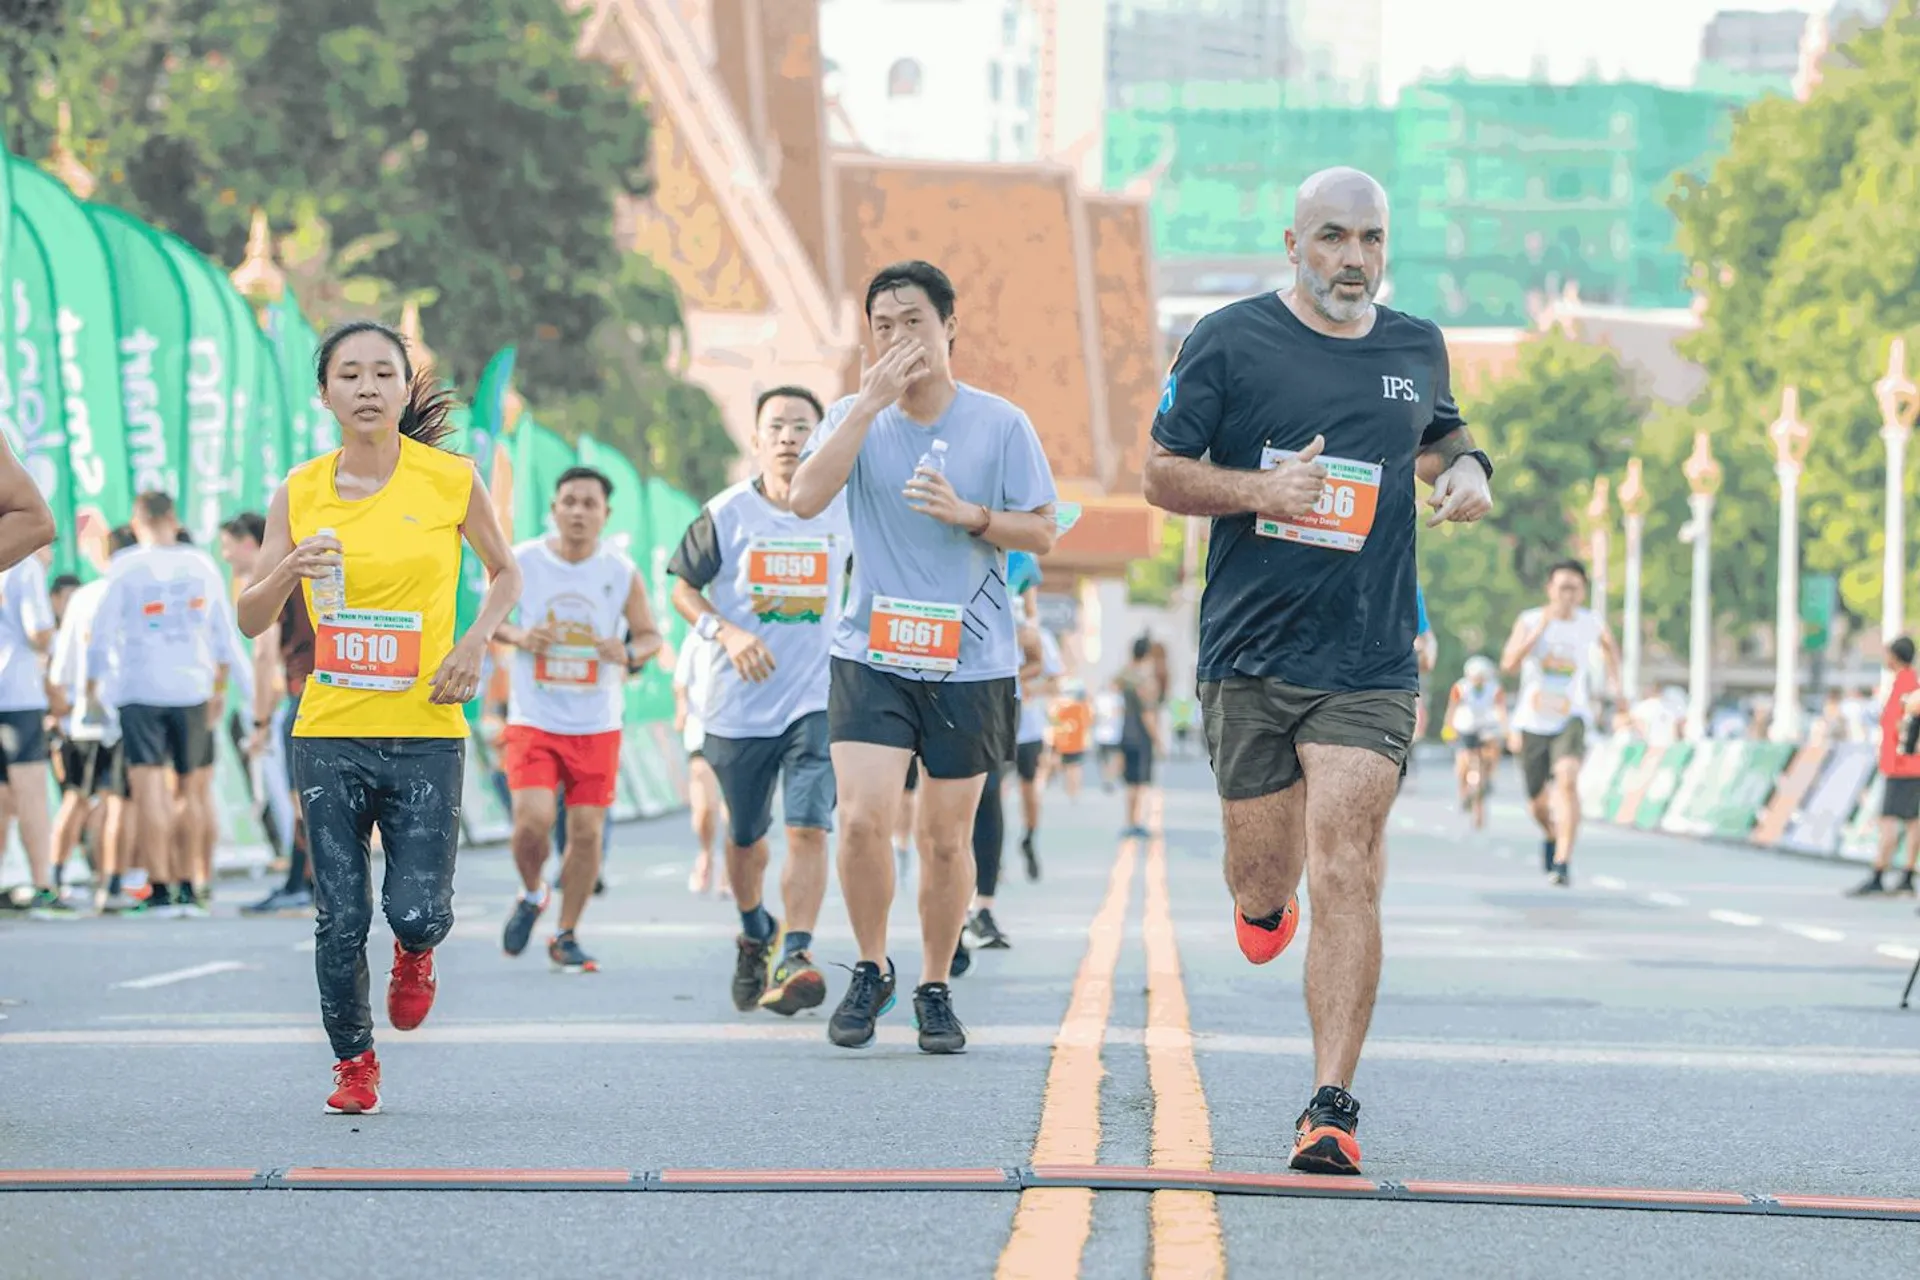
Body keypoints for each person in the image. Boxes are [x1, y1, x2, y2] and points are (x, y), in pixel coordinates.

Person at [1141, 167, 1494, 1175]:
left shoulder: (1413, 343)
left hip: (1369, 656)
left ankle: (1330, 1103)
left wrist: (1469, 472)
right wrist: (1262, 488)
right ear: (1293, 245)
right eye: (1332, 237)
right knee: (1268, 873)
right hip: (1251, 651)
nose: (1353, 257)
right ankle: (1263, 904)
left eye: (1371, 239)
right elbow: (1160, 473)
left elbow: (1440, 436)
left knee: (1348, 855)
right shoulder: (1228, 338)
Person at [236, 319, 521, 1116]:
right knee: (340, 915)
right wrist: (287, 565)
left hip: (428, 728)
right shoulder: (299, 489)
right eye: (349, 375)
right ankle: (354, 1063)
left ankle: (415, 954)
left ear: (404, 387)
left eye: (382, 374)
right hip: (328, 729)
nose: (366, 388)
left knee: (416, 910)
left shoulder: (451, 480)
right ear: (323, 393)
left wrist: (473, 647)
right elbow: (250, 617)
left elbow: (506, 573)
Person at [790, 259, 1058, 1054]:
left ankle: (934, 983)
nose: (899, 338)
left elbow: (1041, 530)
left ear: (949, 328)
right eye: (882, 325)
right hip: (871, 653)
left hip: (970, 661)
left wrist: (971, 515)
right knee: (864, 821)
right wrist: (867, 405)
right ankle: (872, 966)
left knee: (947, 839)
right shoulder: (853, 414)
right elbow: (804, 498)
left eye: (914, 322)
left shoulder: (1001, 424)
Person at [669, 386, 850, 1014]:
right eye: (776, 426)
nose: (789, 437)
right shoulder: (726, 513)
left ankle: (796, 949)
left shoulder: (842, 511)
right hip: (736, 704)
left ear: (820, 438)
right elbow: (684, 588)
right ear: (756, 440)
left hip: (815, 698)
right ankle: (755, 931)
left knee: (807, 824)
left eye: (802, 426)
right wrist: (728, 630)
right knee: (744, 838)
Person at [494, 467, 660, 972]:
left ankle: (566, 934)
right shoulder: (522, 561)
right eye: (569, 501)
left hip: (596, 723)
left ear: (605, 515)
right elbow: (489, 619)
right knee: (533, 823)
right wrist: (522, 637)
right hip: (535, 717)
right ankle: (531, 892)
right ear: (554, 508)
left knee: (587, 833)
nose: (578, 512)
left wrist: (627, 651)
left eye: (590, 504)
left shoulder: (620, 570)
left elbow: (651, 636)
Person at [86, 493, 234, 919]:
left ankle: (162, 887)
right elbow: (224, 635)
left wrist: (93, 688)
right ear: (174, 517)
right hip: (193, 687)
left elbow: (101, 635)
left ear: (136, 523)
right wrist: (219, 688)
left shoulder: (125, 566)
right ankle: (191, 886)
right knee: (191, 789)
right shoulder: (201, 564)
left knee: (149, 788)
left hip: (140, 688)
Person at [1500, 560, 1619, 887]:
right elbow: (1508, 664)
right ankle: (1552, 834)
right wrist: (1538, 633)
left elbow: (1611, 650)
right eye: (1562, 587)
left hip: (1572, 715)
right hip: (1533, 719)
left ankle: (1563, 860)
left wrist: (1617, 691)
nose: (1568, 595)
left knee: (1567, 779)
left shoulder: (1590, 623)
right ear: (1550, 589)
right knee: (1537, 803)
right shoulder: (1530, 620)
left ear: (1582, 592)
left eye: (1575, 588)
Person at [0, 543, 64, 916]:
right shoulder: (24, 565)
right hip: (19, 694)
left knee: (4, 798)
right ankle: (44, 885)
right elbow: (38, 630)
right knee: (31, 796)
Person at [1851, 636, 1920, 897]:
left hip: (1902, 766)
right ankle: (1906, 875)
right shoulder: (1907, 684)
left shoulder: (1906, 685)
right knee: (1913, 821)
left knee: (1889, 820)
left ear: (1894, 656)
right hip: (1909, 765)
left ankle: (1880, 872)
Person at [673, 630, 730, 897]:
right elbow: (680, 680)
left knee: (734, 809)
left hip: (738, 731)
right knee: (705, 807)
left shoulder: (750, 629)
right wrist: (682, 708)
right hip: (701, 730)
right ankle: (706, 853)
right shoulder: (698, 635)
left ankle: (730, 870)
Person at [1444, 655, 1507, 830]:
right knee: (1463, 763)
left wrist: (1505, 729)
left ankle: (1489, 777)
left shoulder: (1494, 689)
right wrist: (1448, 727)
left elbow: (1501, 710)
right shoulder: (1460, 687)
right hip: (1466, 727)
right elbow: (1452, 708)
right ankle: (1463, 792)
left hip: (1487, 727)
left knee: (1493, 749)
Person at [1117, 638, 1160, 838]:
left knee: (1130, 781)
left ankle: (1129, 821)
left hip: (1126, 730)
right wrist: (1158, 739)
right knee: (1140, 781)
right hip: (1141, 735)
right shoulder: (1145, 680)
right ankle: (1137, 822)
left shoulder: (1125, 675)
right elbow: (1147, 713)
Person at [1050, 681, 1092, 800]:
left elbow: (1055, 721)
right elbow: (1088, 723)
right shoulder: (1083, 707)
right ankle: (1075, 789)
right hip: (1077, 741)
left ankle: (1070, 788)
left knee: (1069, 767)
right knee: (1076, 766)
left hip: (1065, 742)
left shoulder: (1063, 708)